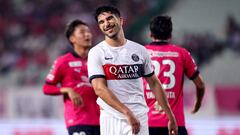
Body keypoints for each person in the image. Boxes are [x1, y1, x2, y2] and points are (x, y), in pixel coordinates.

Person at [87, 5, 178, 135]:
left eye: (109, 18)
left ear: (121, 20)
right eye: (101, 22)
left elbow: (154, 83)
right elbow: (99, 89)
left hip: (139, 116)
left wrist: (170, 116)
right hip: (112, 118)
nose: (106, 24)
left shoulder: (140, 50)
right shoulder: (96, 53)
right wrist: (127, 113)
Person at [143, 15, 205, 135]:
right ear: (170, 35)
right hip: (175, 124)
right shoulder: (182, 54)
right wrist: (197, 104)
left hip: (147, 122)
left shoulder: (141, 53)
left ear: (150, 34)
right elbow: (200, 85)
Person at [42, 19, 100, 135]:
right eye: (82, 32)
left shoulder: (98, 60)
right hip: (78, 120)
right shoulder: (63, 62)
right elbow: (47, 88)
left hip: (101, 120)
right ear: (72, 38)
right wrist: (67, 90)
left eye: (88, 32)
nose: (87, 34)